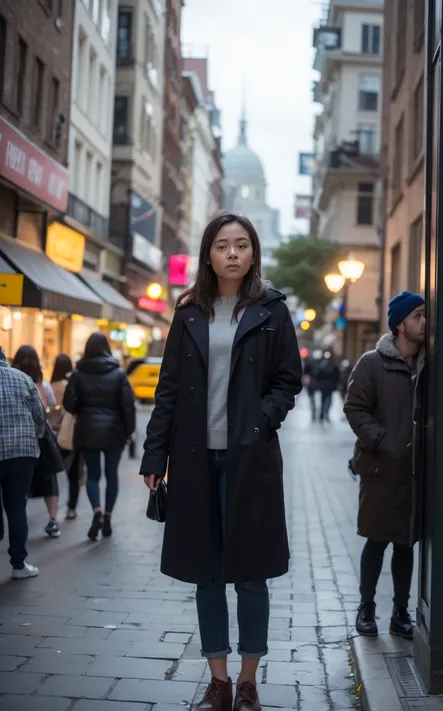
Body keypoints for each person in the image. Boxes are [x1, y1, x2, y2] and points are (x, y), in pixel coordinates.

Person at [141, 212, 302, 711]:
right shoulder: (189, 312)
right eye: (221, 245)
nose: (232, 253)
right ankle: (219, 682)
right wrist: (154, 452)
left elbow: (288, 381)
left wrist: (259, 422)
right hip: (192, 460)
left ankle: (249, 682)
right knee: (206, 573)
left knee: (251, 573)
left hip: (249, 459)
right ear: (208, 254)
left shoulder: (272, 310)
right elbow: (167, 389)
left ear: (253, 252)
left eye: (241, 244)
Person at [344, 291, 425, 640]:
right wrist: (382, 442)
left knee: (406, 543)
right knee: (376, 541)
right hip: (379, 469)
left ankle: (401, 613)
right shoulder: (372, 363)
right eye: (419, 316)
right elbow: (355, 408)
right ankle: (366, 608)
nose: (425, 323)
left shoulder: (428, 365)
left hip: (415, 471)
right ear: (401, 323)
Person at [63, 333, 136, 540]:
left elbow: (69, 403)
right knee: (111, 475)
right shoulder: (119, 373)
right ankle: (108, 516)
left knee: (92, 475)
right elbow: (128, 406)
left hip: (87, 430)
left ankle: (96, 510)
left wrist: (81, 410)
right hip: (114, 432)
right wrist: (129, 431)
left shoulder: (78, 373)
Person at [0, 345, 45, 578]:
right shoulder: (23, 378)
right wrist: (35, 437)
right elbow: (39, 415)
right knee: (17, 507)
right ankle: (19, 565)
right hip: (23, 452)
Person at [12, 345, 61, 538]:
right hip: (41, 439)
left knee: (18, 482)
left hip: (16, 437)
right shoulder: (42, 384)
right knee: (49, 479)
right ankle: (53, 520)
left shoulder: (10, 379)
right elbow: (47, 407)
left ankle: (18, 517)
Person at [51, 354, 83, 521]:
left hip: (51, 434)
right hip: (68, 432)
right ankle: (71, 507)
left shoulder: (50, 385)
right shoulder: (69, 385)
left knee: (52, 472)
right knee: (73, 473)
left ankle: (52, 511)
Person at [315, 351, 340, 422]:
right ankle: (323, 413)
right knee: (326, 400)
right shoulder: (326, 365)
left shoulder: (325, 365)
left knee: (325, 400)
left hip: (327, 386)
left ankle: (323, 413)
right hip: (327, 386)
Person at [303, 354, 319, 421]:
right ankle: (314, 412)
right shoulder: (316, 364)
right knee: (313, 399)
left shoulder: (308, 365)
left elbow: (305, 374)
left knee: (312, 399)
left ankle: (314, 412)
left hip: (311, 384)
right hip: (314, 384)